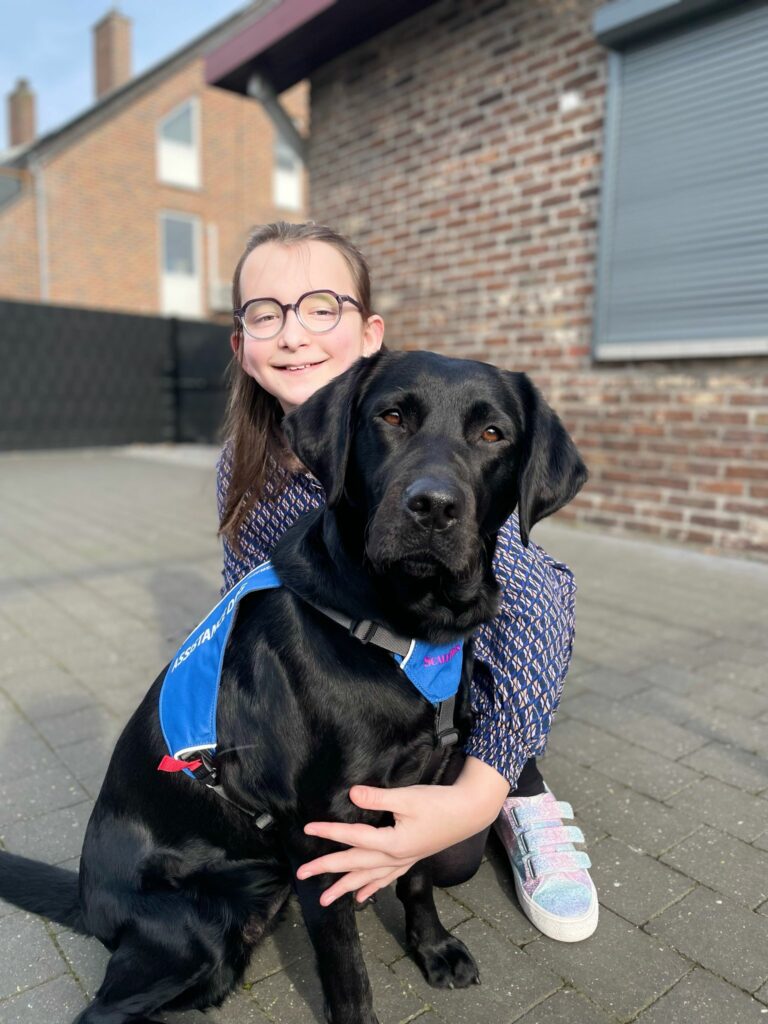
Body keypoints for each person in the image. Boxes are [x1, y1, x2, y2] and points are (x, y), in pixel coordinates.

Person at [216, 220, 598, 943]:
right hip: (360, 694)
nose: (294, 333)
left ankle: (524, 790)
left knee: (449, 852)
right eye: (267, 313)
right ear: (242, 345)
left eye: (322, 306)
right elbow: (248, 600)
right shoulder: (248, 472)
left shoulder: (440, 425)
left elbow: (540, 608)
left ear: (369, 333)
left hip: (460, 698)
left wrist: (476, 797)